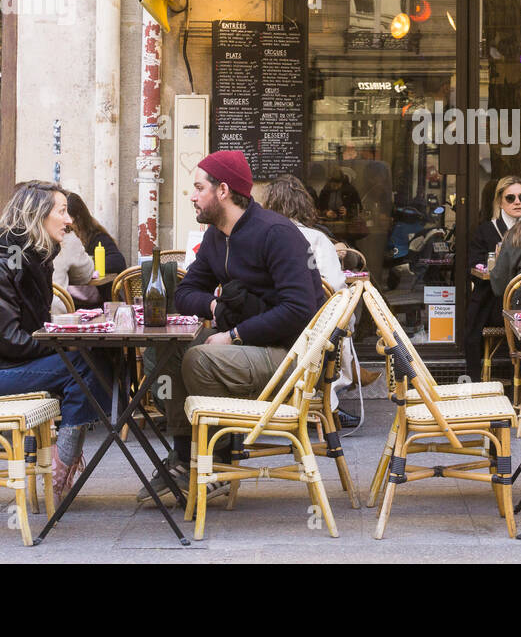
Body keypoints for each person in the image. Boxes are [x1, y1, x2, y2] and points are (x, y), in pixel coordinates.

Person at [145, 151, 323, 498]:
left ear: (222, 190)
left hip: (290, 355)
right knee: (173, 349)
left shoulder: (275, 233)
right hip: (250, 349)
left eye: (199, 188)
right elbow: (185, 292)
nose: (192, 196)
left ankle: (216, 460)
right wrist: (215, 305)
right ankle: (186, 456)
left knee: (200, 357)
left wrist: (234, 334)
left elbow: (300, 310)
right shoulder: (215, 237)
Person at [0, 180, 110, 500]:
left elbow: (32, 329)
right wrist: (65, 343)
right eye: (62, 212)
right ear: (37, 216)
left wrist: (68, 335)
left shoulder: (33, 261)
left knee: (98, 357)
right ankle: (59, 470)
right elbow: (9, 342)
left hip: (3, 363)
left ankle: (58, 461)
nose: (70, 221)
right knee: (82, 364)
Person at [261, 174, 363, 428]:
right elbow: (336, 291)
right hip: (313, 333)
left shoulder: (260, 236)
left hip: (265, 327)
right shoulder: (316, 238)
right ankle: (328, 402)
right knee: (341, 321)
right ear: (302, 204)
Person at [463, 175, 521, 381]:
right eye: (510, 198)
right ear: (500, 201)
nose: (517, 202)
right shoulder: (486, 230)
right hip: (495, 303)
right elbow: (474, 265)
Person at [52, 191, 126, 306]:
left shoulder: (96, 237)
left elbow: (118, 262)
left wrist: (88, 264)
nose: (64, 223)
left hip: (96, 304)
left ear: (77, 219)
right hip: (69, 303)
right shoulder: (55, 240)